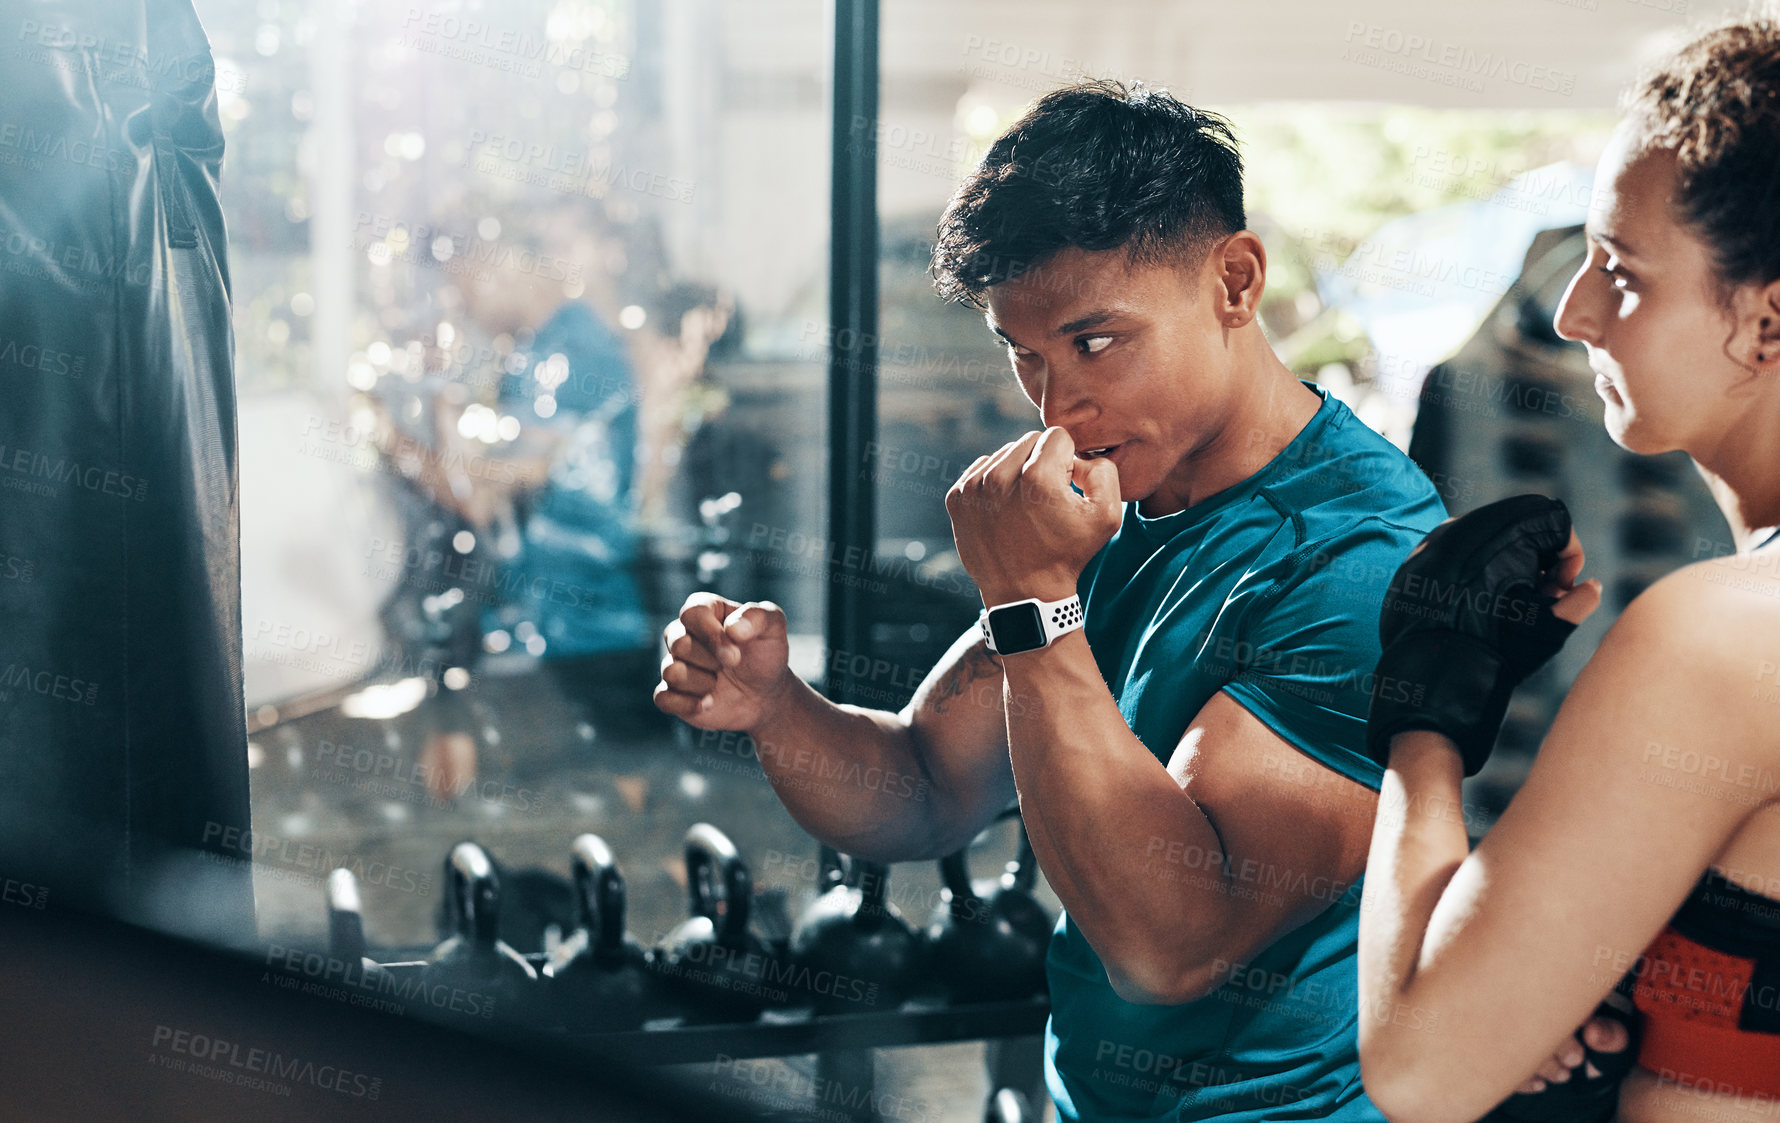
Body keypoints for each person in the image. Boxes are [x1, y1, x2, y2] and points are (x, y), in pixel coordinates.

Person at [658, 80, 1450, 1120]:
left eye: (1094, 341)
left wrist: (1032, 598)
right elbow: (924, 786)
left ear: (1235, 281)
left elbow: (1176, 944)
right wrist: (776, 707)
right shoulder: (1106, 503)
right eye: (1023, 354)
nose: (1056, 404)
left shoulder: (1358, 559)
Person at [1355, 17, 1780, 1123]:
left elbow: (1418, 1067)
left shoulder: (1725, 634)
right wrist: (1577, 976)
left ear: (1769, 317)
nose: (1571, 308)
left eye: (1622, 272)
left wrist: (1427, 708)